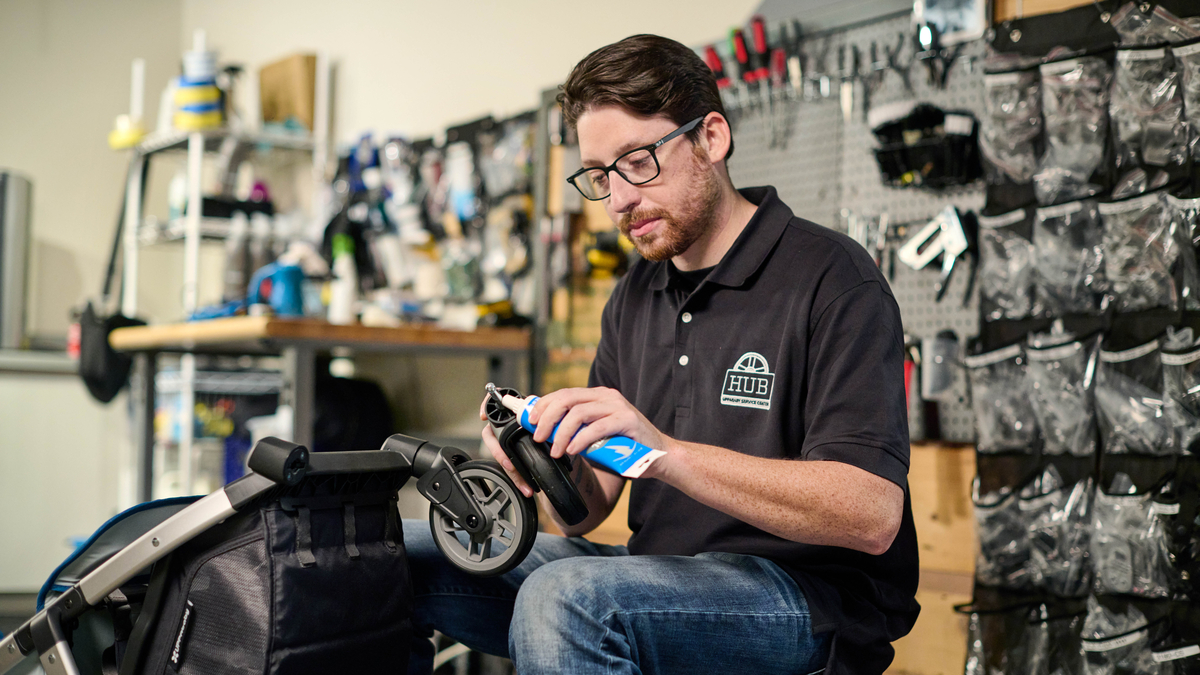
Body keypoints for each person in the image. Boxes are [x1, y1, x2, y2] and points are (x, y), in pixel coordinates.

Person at [402, 33, 919, 675]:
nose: (617, 200)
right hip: (658, 579)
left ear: (712, 139)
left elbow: (871, 515)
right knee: (397, 553)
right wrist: (534, 466)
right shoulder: (635, 295)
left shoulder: (833, 278)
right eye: (598, 176)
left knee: (565, 600)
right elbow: (586, 512)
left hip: (805, 599)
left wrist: (664, 454)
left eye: (637, 162)